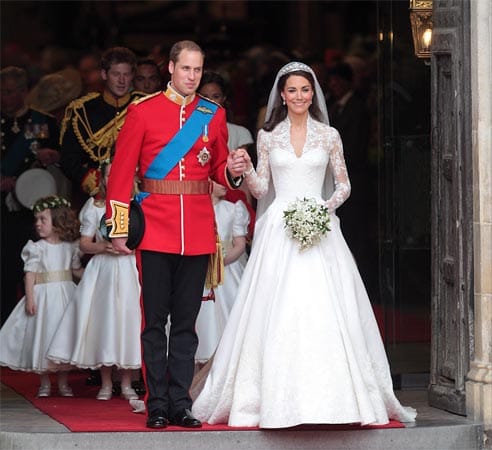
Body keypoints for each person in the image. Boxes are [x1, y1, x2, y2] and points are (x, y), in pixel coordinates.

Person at [191, 62, 417, 428]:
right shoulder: (268, 137)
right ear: (282, 94)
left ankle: (336, 401)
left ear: (314, 95)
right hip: (279, 229)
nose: (299, 96)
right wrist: (246, 168)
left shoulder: (329, 135)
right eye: (293, 90)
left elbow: (343, 185)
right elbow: (262, 189)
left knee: (325, 308)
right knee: (276, 309)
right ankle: (268, 400)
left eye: (305, 90)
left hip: (319, 227)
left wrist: (321, 210)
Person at [105, 40, 247, 429]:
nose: (192, 76)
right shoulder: (143, 111)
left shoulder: (212, 114)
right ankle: (157, 404)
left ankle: (181, 402)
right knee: (154, 323)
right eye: (186, 69)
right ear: (170, 68)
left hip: (198, 231)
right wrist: (119, 228)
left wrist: (232, 167)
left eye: (198, 70)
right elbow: (120, 175)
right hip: (153, 230)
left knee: (187, 324)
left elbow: (219, 169)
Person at [47, 162, 141, 401]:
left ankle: (128, 381)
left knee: (129, 321)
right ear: (104, 180)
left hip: (131, 268)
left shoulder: (139, 205)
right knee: (105, 321)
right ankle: (107, 382)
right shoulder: (96, 207)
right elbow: (84, 243)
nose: (115, 178)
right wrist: (103, 247)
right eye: (110, 174)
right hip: (104, 270)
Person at [0, 195, 83, 397]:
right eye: (36, 220)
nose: (37, 224)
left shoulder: (70, 246)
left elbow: (75, 270)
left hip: (65, 295)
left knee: (62, 337)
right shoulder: (36, 248)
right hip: (44, 296)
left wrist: (95, 274)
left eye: (42, 219)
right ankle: (45, 382)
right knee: (44, 335)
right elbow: (30, 275)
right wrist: (30, 298)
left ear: (58, 221)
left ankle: (63, 382)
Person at [0, 66, 62, 325]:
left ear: (25, 92)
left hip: (34, 211)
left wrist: (53, 156)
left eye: (11, 92)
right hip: (2, 210)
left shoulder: (42, 121)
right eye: (2, 92)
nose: (5, 98)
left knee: (36, 271)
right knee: (4, 271)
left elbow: (62, 157)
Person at [59, 47, 144, 208]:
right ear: (104, 75)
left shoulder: (144, 105)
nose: (121, 80)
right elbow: (68, 159)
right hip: (96, 197)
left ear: (132, 76)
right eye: (115, 74)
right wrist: (93, 182)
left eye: (126, 75)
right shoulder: (83, 110)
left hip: (138, 194)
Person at [195, 181, 250, 365]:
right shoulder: (195, 207)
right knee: (201, 321)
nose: (226, 185)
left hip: (226, 271)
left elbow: (240, 244)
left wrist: (219, 262)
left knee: (230, 317)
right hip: (199, 271)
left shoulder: (233, 209)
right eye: (220, 181)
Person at [198, 71, 256, 239]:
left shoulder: (239, 132)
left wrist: (247, 210)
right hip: (198, 197)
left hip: (230, 197)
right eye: (205, 96)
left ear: (223, 98)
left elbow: (243, 178)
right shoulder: (187, 130)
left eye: (215, 96)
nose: (210, 101)